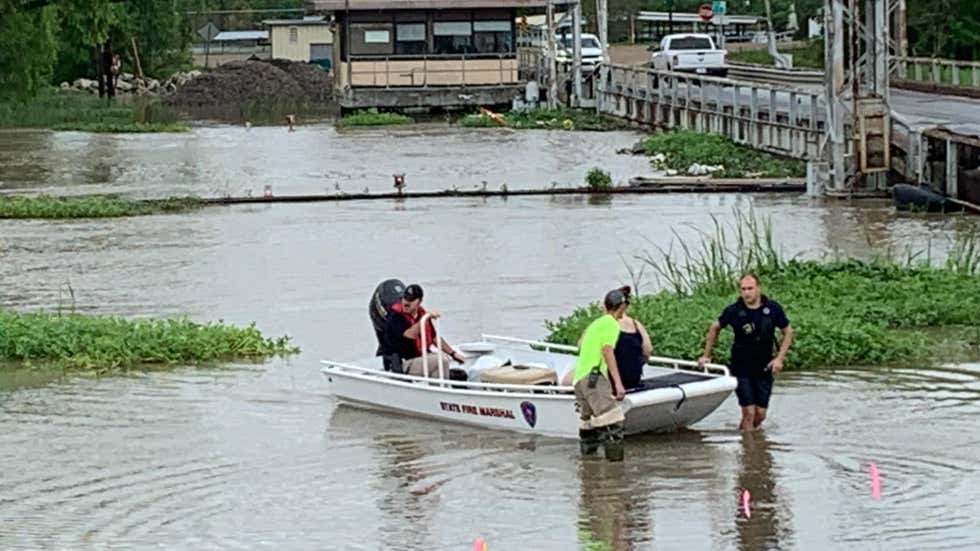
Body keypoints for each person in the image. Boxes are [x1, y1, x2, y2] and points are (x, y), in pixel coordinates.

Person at [698, 274, 794, 431]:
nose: (747, 293)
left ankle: (749, 439)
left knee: (760, 414)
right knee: (749, 412)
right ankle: (747, 451)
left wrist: (779, 359)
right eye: (743, 289)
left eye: (750, 288)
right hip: (741, 367)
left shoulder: (773, 309)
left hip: (764, 367)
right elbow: (715, 327)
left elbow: (788, 332)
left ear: (758, 288)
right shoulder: (734, 311)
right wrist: (706, 355)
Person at [572, 287, 629, 462]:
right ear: (622, 307)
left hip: (579, 380)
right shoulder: (611, 324)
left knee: (588, 425)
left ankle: (589, 471)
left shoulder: (595, 324)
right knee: (613, 422)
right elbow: (607, 351)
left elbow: (580, 345)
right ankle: (615, 473)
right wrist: (618, 383)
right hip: (593, 378)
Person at [383, 283, 465, 379]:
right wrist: (425, 319)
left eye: (411, 300)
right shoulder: (395, 317)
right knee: (441, 360)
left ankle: (437, 390)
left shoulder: (422, 315)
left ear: (419, 301)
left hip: (421, 359)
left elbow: (434, 338)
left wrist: (453, 353)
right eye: (405, 299)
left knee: (442, 362)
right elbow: (409, 335)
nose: (406, 303)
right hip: (404, 364)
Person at [610, 286, 653, 390]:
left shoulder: (605, 323)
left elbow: (582, 346)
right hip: (634, 379)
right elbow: (648, 351)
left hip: (612, 381)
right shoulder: (636, 324)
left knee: (568, 379)